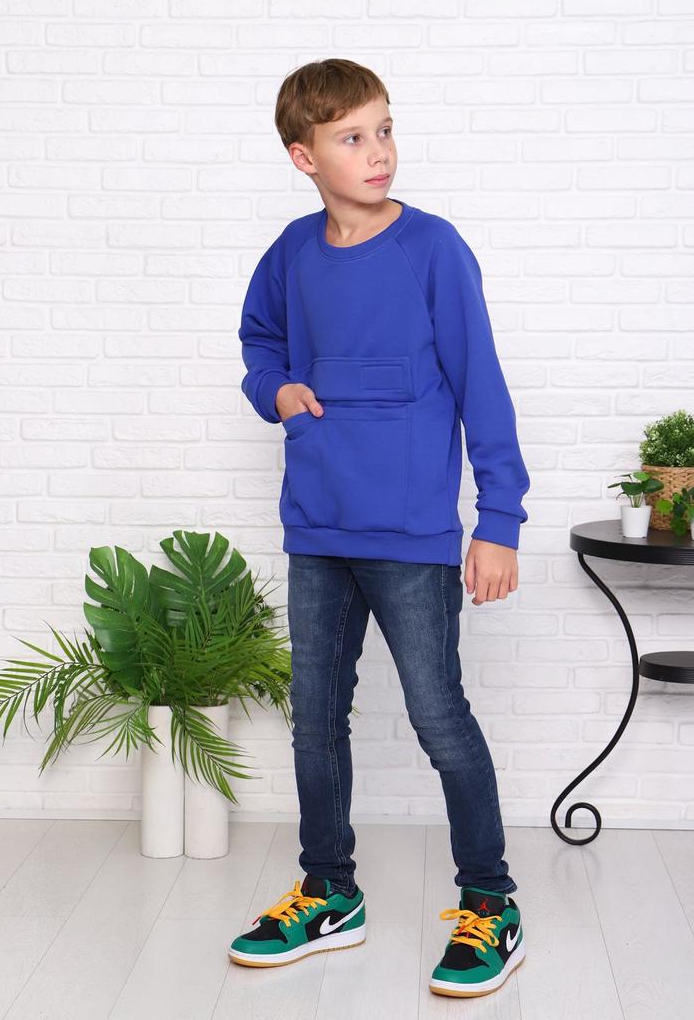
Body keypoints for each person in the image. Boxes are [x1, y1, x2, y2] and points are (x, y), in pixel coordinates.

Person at [228, 58, 530, 998]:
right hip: (317, 528)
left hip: (409, 536)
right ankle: (330, 892)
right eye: (353, 137)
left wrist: (499, 520)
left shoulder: (432, 249)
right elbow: (259, 338)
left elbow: (481, 385)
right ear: (303, 156)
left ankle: (490, 900)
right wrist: (274, 390)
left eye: (385, 130)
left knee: (439, 717)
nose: (378, 151)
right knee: (315, 721)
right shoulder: (291, 252)